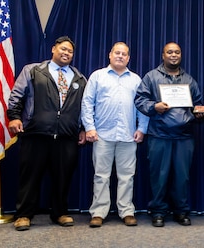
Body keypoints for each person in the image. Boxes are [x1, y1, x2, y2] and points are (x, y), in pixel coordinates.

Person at [7, 36, 87, 231]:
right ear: (53, 49)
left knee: (63, 177)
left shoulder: (79, 78)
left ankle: (60, 213)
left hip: (67, 136)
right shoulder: (33, 70)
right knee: (30, 177)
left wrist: (83, 128)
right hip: (36, 133)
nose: (66, 53)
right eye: (63, 49)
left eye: (70, 51)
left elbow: (85, 107)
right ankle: (24, 215)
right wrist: (14, 117)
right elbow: (17, 95)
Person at [134, 42, 204, 227]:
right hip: (159, 135)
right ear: (163, 55)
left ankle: (181, 211)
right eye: (170, 52)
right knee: (159, 176)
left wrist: (199, 113)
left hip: (184, 136)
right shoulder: (151, 77)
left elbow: (198, 103)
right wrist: (153, 106)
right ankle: (158, 211)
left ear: (181, 55)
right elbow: (140, 99)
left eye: (177, 52)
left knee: (182, 177)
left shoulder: (189, 80)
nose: (174, 55)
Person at [81, 42, 149, 228]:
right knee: (101, 176)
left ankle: (126, 211)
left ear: (129, 58)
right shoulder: (97, 76)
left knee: (127, 176)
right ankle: (98, 212)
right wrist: (89, 127)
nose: (120, 56)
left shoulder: (135, 79)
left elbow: (142, 107)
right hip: (101, 135)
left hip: (128, 136)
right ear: (109, 55)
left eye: (124, 54)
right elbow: (87, 103)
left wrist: (142, 128)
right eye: (117, 53)